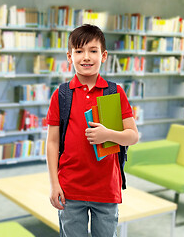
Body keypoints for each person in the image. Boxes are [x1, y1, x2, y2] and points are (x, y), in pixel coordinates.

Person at [46, 24, 139, 237]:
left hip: (106, 189)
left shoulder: (114, 92)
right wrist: (54, 184)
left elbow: (133, 136)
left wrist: (108, 135)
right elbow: (52, 142)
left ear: (104, 55)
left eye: (93, 51)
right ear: (69, 57)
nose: (86, 57)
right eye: (79, 51)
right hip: (70, 189)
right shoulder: (61, 95)